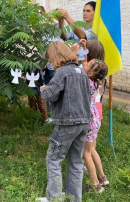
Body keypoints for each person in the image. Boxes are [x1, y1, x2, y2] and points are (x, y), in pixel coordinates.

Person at [37, 41, 92, 202]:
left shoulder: (62, 73)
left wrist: (43, 90)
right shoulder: (81, 72)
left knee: (53, 159)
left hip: (67, 123)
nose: (50, 63)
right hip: (83, 123)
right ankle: (74, 199)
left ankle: (53, 198)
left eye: (50, 59)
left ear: (55, 57)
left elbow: (50, 95)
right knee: (76, 161)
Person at [79, 39, 109, 193]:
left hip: (88, 121)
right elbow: (86, 65)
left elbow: (84, 67)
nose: (86, 62)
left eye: (89, 64)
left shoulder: (86, 81)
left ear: (90, 73)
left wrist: (81, 51)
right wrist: (84, 48)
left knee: (86, 153)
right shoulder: (97, 81)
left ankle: (95, 183)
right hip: (96, 119)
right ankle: (103, 177)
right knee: (93, 150)